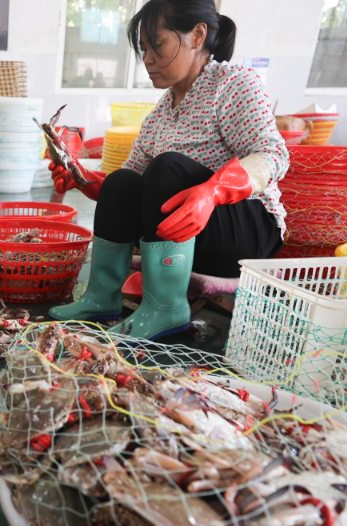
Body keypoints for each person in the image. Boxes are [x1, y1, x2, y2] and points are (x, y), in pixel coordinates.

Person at [50, 0, 287, 340]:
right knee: (122, 179)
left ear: (197, 35)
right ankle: (101, 298)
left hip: (245, 232)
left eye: (157, 45)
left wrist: (213, 191)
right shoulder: (161, 113)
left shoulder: (233, 84)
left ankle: (166, 309)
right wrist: (84, 180)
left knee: (167, 168)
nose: (147, 59)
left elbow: (274, 153)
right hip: (184, 237)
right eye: (143, 49)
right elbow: (130, 188)